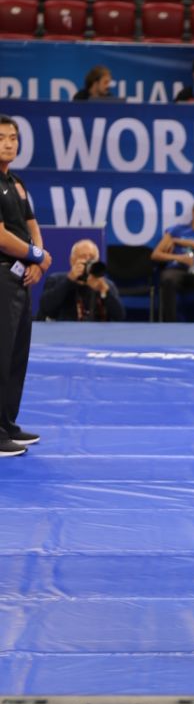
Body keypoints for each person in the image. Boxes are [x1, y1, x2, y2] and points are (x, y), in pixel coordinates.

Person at [0, 115, 52, 458]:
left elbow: (31, 224)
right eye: (1, 138)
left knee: (16, 355)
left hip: (20, 276)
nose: (9, 143)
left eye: (13, 137)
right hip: (2, 275)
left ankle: (6, 423)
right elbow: (1, 237)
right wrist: (37, 255)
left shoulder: (16, 182)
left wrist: (37, 259)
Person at [151, 198, 194, 323]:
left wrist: (175, 240)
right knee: (168, 279)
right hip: (176, 269)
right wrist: (179, 258)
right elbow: (155, 255)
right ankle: (170, 324)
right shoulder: (176, 230)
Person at [37, 239, 125, 322]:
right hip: (65, 331)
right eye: (83, 257)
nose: (87, 261)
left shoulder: (105, 285)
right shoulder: (56, 280)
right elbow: (45, 309)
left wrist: (104, 292)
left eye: (92, 257)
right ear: (72, 261)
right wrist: (69, 280)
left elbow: (120, 317)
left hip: (98, 332)